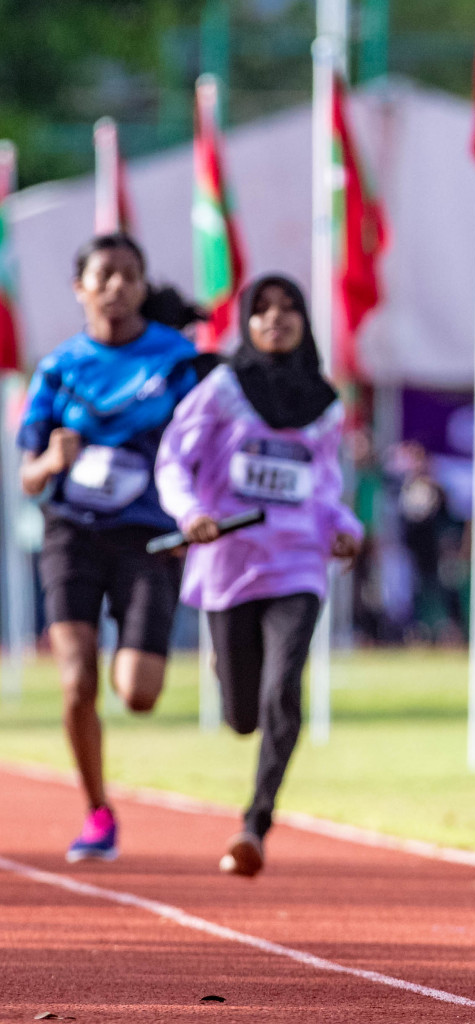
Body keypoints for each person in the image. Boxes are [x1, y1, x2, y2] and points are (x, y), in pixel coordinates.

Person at [155, 274, 362, 877]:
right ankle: (232, 682)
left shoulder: (325, 403)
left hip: (298, 561)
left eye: (290, 308)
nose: (277, 319)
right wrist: (191, 512)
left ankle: (255, 823)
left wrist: (344, 525)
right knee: (243, 712)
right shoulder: (223, 388)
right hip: (227, 562)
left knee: (283, 689)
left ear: (305, 321)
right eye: (263, 310)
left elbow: (324, 487)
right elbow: (174, 458)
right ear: (245, 321)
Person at [16, 233, 204, 863]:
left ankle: (134, 682)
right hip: (72, 531)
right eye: (104, 276)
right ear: (81, 289)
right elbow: (27, 475)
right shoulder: (59, 366)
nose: (117, 287)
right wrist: (49, 460)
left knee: (139, 693)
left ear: (145, 286)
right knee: (76, 682)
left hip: (148, 535)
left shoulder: (178, 359)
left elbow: (207, 440)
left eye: (130, 275)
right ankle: (98, 812)